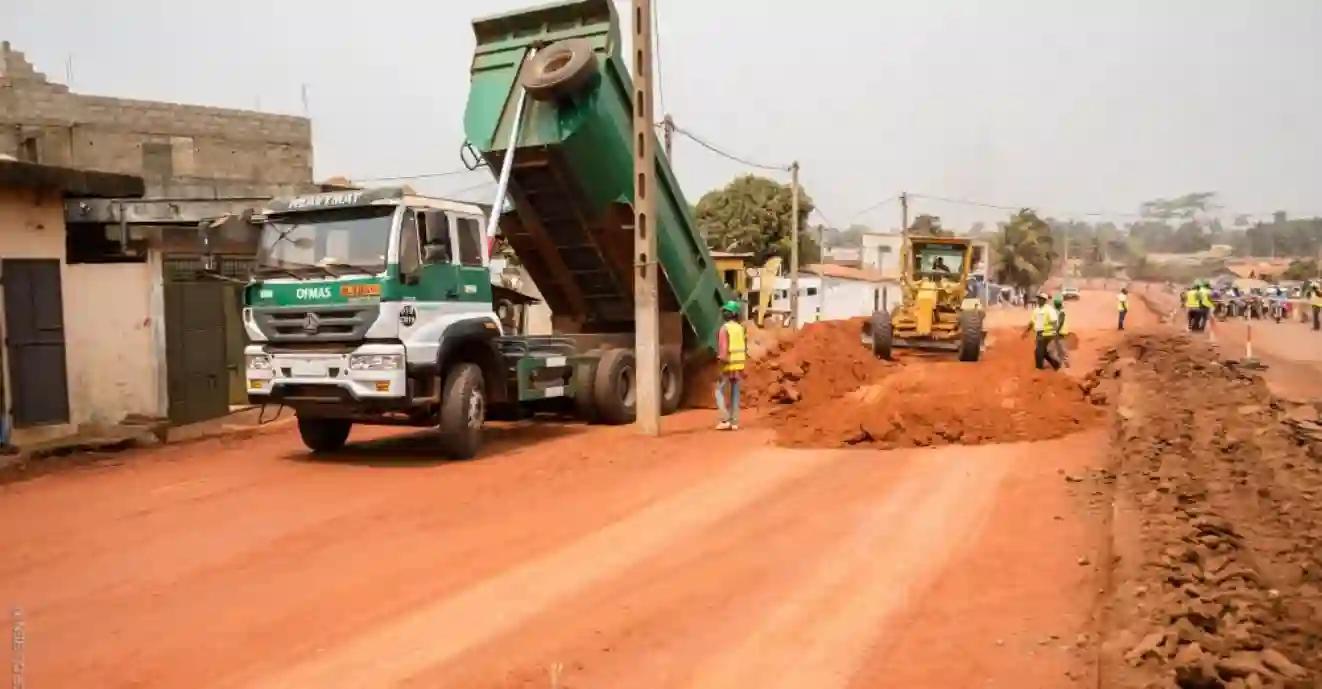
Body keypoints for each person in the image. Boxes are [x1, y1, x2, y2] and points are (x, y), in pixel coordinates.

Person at [714, 300, 746, 431]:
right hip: (738, 365)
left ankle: (724, 419)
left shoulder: (724, 328)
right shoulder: (740, 328)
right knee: (735, 393)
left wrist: (721, 365)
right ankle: (734, 422)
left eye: (726, 311)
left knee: (718, 391)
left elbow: (724, 349)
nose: (724, 313)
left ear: (730, 314)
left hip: (728, 364)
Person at [1026, 292, 1061, 371]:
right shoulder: (1036, 310)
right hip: (1039, 333)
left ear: (1044, 300)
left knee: (1038, 352)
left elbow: (1054, 321)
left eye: (1040, 299)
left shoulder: (1049, 310)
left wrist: (1056, 333)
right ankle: (1056, 364)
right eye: (1038, 298)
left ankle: (1039, 368)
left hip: (1047, 333)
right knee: (1043, 352)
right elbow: (1032, 322)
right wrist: (1026, 332)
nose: (1038, 300)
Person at [1052, 294, 1071, 368]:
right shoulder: (1060, 312)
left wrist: (1056, 330)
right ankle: (1061, 362)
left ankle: (1063, 362)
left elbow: (1060, 322)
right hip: (1060, 332)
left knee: (1059, 348)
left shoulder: (1060, 312)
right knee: (1059, 348)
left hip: (1059, 332)